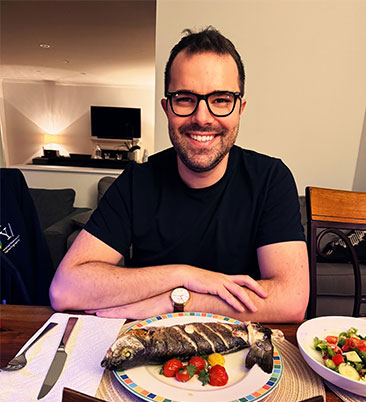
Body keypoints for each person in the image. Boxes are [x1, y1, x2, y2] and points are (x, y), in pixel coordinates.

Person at [50, 27, 309, 322]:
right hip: (148, 353)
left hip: (239, 353)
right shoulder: (137, 182)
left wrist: (174, 302)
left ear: (240, 109)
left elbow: (292, 300)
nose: (202, 117)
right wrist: (183, 276)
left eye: (221, 99)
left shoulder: (270, 179)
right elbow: (65, 289)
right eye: (185, 98)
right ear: (166, 108)